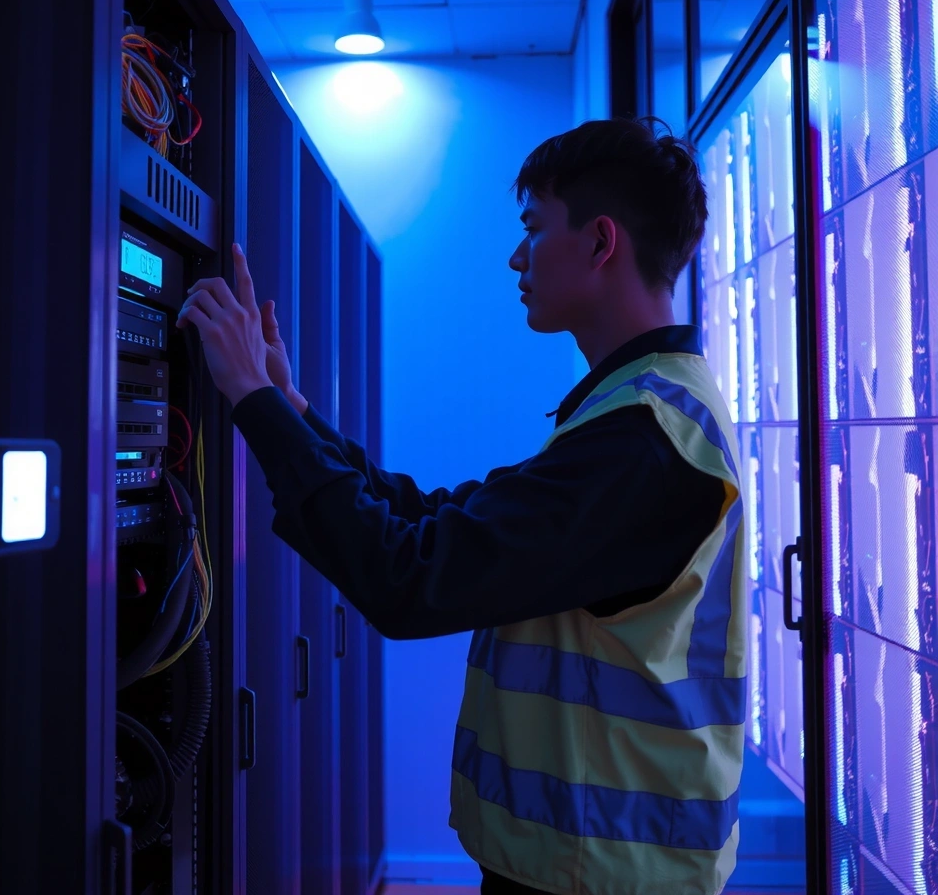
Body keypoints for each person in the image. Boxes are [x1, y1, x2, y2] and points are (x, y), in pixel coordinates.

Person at [177, 117, 746, 895]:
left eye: (533, 228)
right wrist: (290, 408)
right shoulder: (633, 412)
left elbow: (411, 577)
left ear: (601, 242)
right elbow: (435, 519)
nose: (518, 256)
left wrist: (249, 398)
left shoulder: (644, 443)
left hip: (603, 873)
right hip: (589, 864)